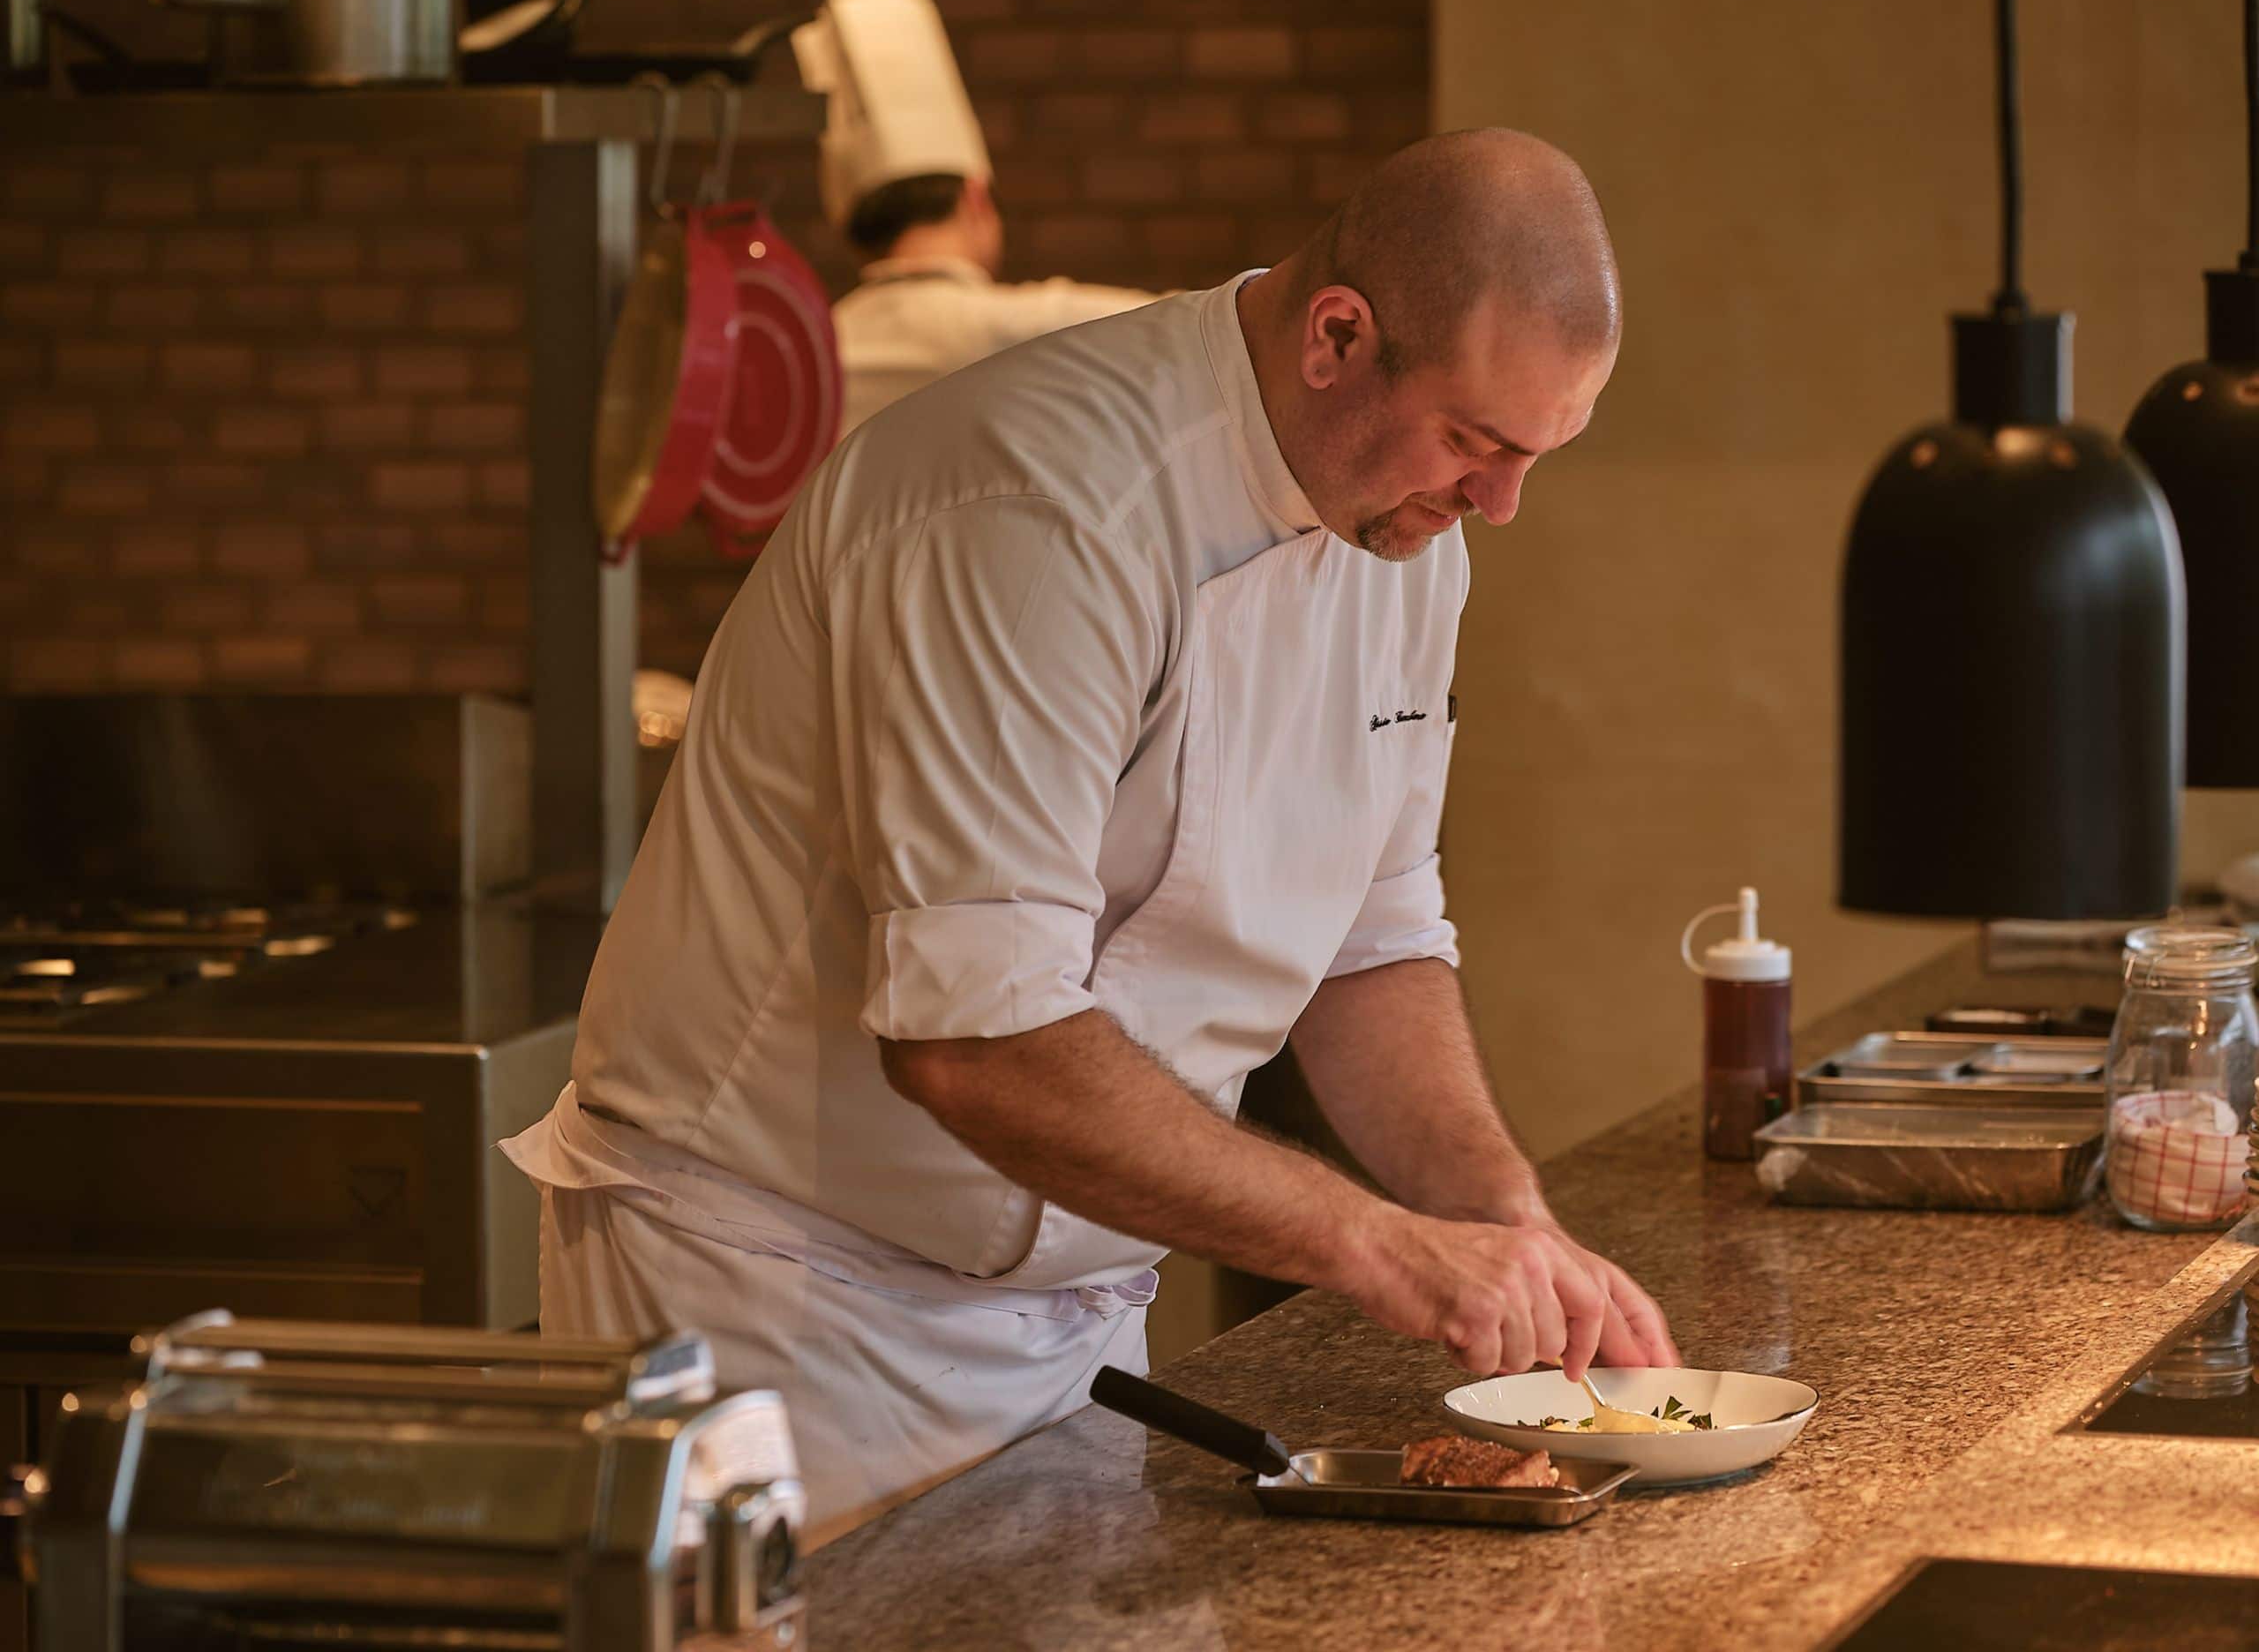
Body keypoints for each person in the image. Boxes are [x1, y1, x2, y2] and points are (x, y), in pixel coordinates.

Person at [503, 127, 1679, 1534]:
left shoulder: (1406, 539)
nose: (1500, 501)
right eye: (1476, 441)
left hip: (1068, 1335)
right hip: (773, 1314)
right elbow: (973, 1043)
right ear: (1337, 337)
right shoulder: (1034, 506)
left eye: (1539, 451)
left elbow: (1371, 945)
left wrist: (1501, 1216)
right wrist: (1376, 1245)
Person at [791, 0, 1152, 435]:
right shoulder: (1028, 327)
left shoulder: (812, 358)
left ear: (855, 233)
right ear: (975, 198)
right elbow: (1201, 335)